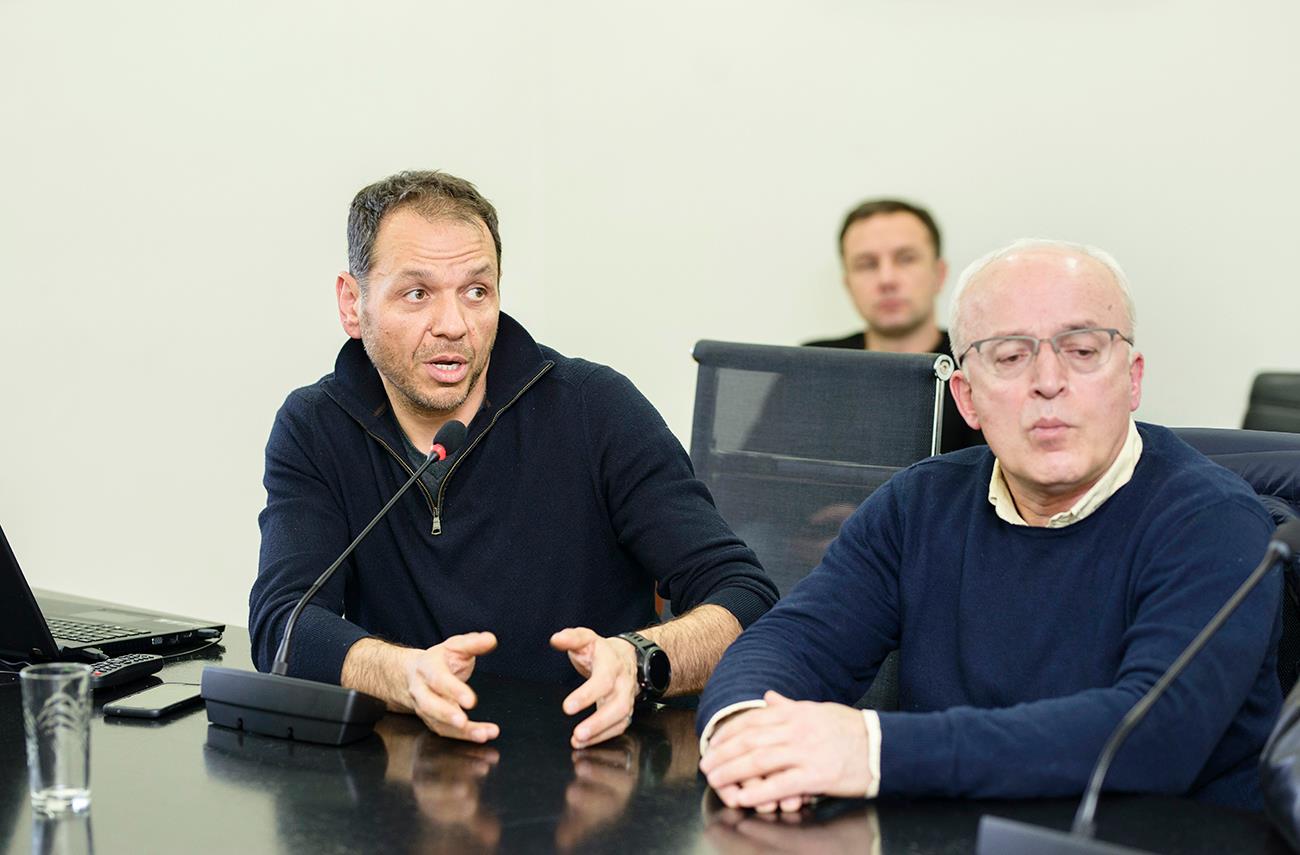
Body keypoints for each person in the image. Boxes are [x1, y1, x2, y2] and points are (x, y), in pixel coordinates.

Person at [697, 239, 1281, 811]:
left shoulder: (1214, 521)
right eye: (1010, 356)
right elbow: (793, 642)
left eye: (1082, 350)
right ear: (967, 397)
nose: (1048, 381)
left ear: (1132, 378)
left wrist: (873, 751)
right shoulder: (919, 504)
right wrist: (746, 729)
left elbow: (1151, 736)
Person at [250, 170, 777, 749]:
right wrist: (401, 675)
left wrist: (639, 659)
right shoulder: (316, 426)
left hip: (589, 760)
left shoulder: (595, 408)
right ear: (353, 305)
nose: (453, 326)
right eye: (417, 293)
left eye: (476, 291)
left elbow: (745, 597)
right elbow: (283, 622)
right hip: (409, 767)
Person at [807, 198, 981, 452]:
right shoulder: (814, 367)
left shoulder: (980, 366)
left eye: (906, 259)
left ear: (939, 274)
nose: (886, 279)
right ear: (848, 284)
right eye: (867, 264)